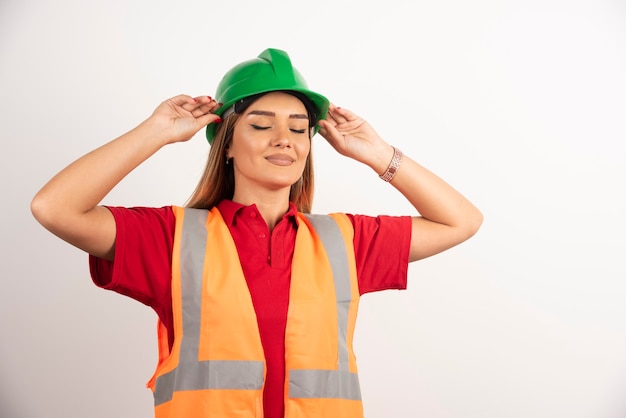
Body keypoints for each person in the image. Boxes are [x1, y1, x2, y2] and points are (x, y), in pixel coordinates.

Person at [31, 48, 483, 418]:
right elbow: (54, 208)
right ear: (225, 142)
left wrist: (380, 154)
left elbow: (462, 220)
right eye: (262, 125)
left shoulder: (344, 241)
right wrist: (155, 133)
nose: (283, 139)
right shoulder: (171, 237)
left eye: (299, 129)